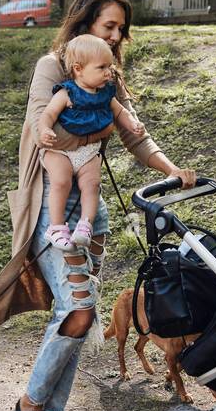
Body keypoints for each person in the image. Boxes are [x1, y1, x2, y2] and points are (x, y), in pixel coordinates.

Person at [0, 0, 197, 411]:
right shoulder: (54, 68)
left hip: (93, 211)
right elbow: (43, 126)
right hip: (53, 204)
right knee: (76, 306)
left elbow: (136, 134)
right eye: (109, 27)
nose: (117, 37)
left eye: (121, 30)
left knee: (83, 313)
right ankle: (29, 408)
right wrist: (94, 126)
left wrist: (171, 169)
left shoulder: (105, 74)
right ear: (84, 24)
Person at [37, 32, 145, 251]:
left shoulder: (106, 93)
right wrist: (45, 129)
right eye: (102, 68)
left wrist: (132, 123)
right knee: (61, 181)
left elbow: (120, 111)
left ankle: (85, 225)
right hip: (61, 151)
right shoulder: (67, 93)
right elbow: (48, 114)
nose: (108, 73)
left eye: (110, 67)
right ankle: (56, 227)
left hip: (88, 150)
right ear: (78, 69)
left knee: (92, 184)